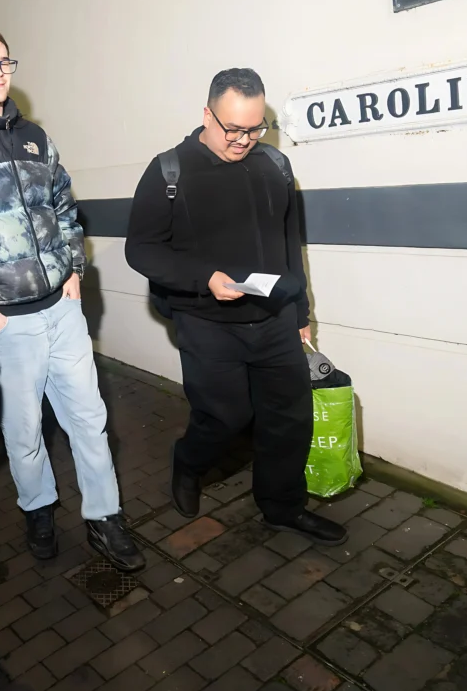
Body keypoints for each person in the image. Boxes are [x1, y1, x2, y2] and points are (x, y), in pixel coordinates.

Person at [0, 25, 144, 572]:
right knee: (24, 432)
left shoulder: (34, 136)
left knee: (89, 418)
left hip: (61, 310)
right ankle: (38, 507)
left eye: (4, 62)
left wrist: (74, 270)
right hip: (4, 323)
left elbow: (63, 205)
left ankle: (105, 517)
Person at [124, 68, 347, 546]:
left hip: (273, 319)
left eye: (255, 127)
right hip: (205, 321)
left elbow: (290, 244)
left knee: (290, 418)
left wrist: (300, 315)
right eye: (233, 129)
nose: (244, 139)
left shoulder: (275, 166)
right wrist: (203, 279)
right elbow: (140, 249)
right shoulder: (169, 170)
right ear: (207, 114)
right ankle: (189, 463)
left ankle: (282, 507)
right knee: (226, 417)